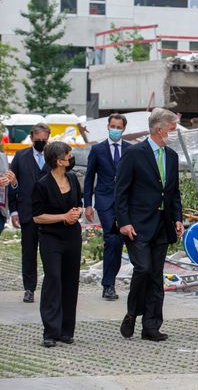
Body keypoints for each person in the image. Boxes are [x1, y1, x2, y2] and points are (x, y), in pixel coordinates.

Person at [115, 108, 184, 342]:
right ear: (159, 129)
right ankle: (133, 312)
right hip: (138, 225)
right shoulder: (135, 154)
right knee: (142, 269)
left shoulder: (171, 156)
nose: (174, 133)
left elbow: (174, 193)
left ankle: (151, 326)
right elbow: (121, 191)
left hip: (162, 225)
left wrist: (177, 218)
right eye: (172, 128)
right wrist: (123, 222)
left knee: (156, 276)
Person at [31, 141, 82, 348]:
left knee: (70, 281)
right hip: (51, 237)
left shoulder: (72, 178)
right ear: (59, 160)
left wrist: (75, 213)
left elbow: (78, 203)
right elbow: (37, 217)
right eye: (69, 155)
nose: (71, 158)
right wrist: (63, 216)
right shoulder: (42, 184)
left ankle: (65, 330)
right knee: (53, 279)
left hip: (72, 236)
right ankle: (50, 331)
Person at [84, 113, 131, 301]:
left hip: (125, 202)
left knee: (119, 241)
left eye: (119, 127)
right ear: (108, 126)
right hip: (105, 201)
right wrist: (88, 204)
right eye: (113, 126)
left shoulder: (130, 149)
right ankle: (108, 285)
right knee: (112, 239)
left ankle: (112, 281)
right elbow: (89, 178)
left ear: (124, 129)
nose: (116, 130)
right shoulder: (97, 149)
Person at [8, 123, 51, 303]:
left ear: (48, 138)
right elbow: (12, 183)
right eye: (38, 139)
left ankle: (52, 288)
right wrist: (14, 211)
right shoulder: (21, 156)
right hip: (27, 212)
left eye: (44, 139)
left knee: (50, 252)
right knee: (29, 252)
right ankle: (29, 288)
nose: (41, 141)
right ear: (32, 137)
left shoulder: (53, 155)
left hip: (49, 213)